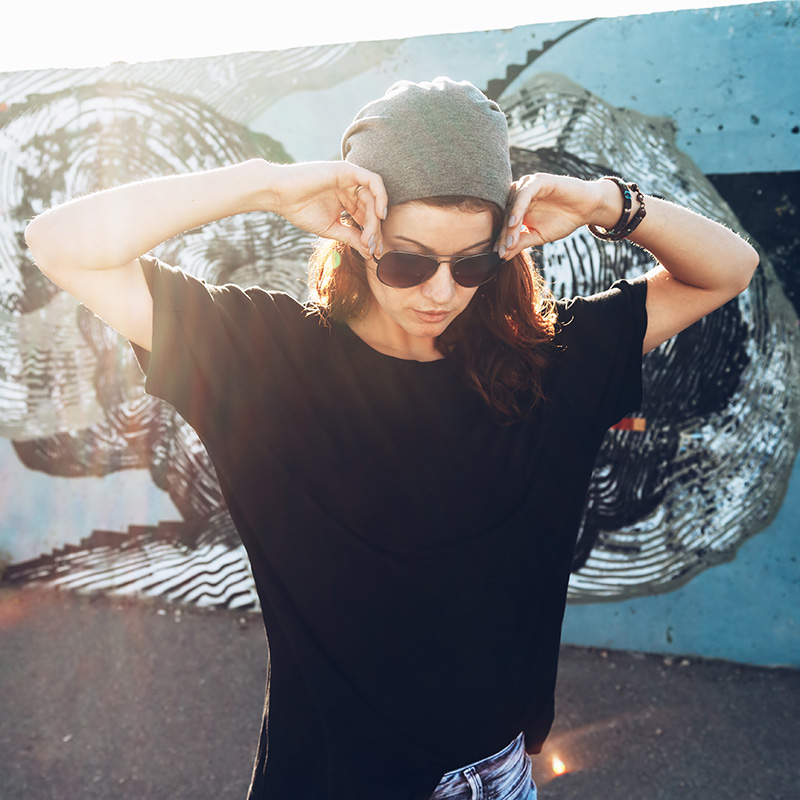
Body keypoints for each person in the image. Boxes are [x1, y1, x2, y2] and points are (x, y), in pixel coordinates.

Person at [24, 77, 757, 800]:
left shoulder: (547, 363)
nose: (439, 292)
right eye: (407, 261)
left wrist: (606, 203)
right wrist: (264, 187)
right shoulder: (263, 358)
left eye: (472, 263)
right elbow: (58, 246)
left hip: (500, 776)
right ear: (357, 233)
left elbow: (728, 270)